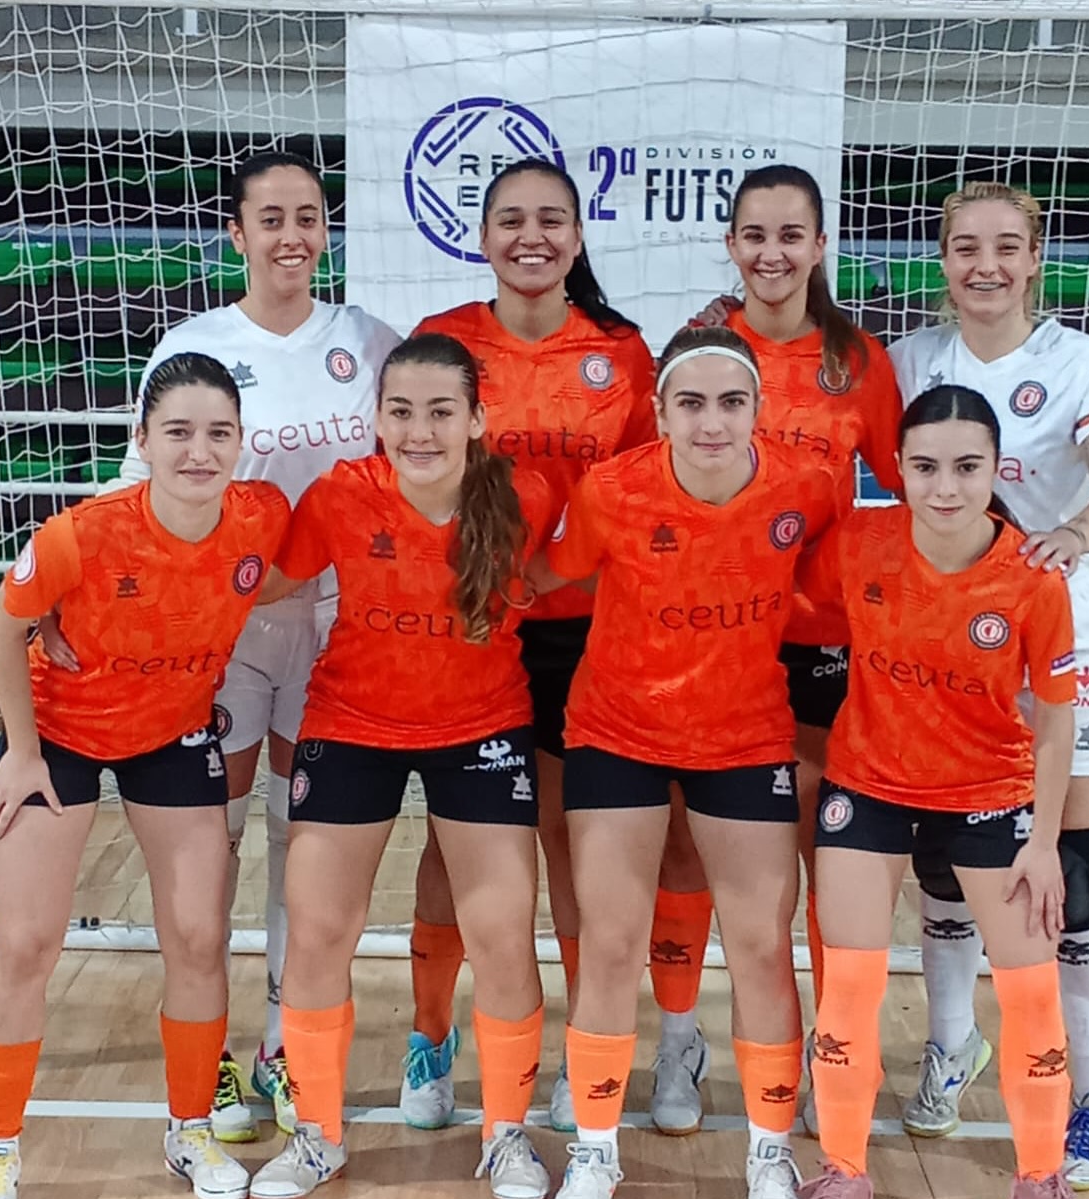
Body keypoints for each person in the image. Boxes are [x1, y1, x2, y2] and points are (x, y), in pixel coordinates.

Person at [44, 150, 400, 1140]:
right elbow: (135, 493)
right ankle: (214, 1056)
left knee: (304, 835)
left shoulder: (369, 342)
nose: (293, 234)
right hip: (223, 633)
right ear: (236, 233)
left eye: (309, 216)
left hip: (335, 626)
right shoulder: (195, 344)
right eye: (271, 217)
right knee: (218, 838)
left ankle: (282, 1046)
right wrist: (64, 591)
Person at [0, 353, 290, 1199]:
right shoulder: (82, 534)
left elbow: (279, 577)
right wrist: (23, 751)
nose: (198, 450)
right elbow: (3, 627)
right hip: (59, 735)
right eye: (177, 431)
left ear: (240, 441)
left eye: (218, 432)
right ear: (141, 439)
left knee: (198, 935)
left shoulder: (262, 516)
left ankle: (189, 1131)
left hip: (172, 734)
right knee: (25, 943)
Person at [247, 333, 555, 1199]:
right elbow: (263, 582)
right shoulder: (342, 493)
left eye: (441, 411)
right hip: (353, 722)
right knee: (318, 929)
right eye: (402, 411)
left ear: (477, 419)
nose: (420, 431)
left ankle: (505, 1134)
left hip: (482, 726)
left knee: (502, 934)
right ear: (376, 419)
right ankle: (317, 1135)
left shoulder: (525, 496)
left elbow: (577, 575)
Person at [536, 325, 838, 1199]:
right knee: (611, 941)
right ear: (660, 412)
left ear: (759, 410)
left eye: (731, 402)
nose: (712, 422)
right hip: (616, 731)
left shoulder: (807, 487)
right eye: (692, 403)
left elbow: (838, 580)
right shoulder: (612, 489)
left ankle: (768, 1151)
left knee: (761, 945)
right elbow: (558, 575)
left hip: (744, 737)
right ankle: (595, 1149)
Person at [889, 181, 1089, 1189]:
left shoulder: (1079, 361)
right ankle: (951, 1044)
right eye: (965, 246)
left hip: (1061, 625)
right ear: (943, 258)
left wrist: (1074, 532)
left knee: (1068, 863)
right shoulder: (911, 360)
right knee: (942, 854)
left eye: (1005, 246)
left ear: (1036, 258)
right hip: (945, 635)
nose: (984, 264)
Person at [403, 158, 657, 1134]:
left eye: (552, 219)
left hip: (587, 632)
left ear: (578, 237)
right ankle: (430, 1037)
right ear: (483, 237)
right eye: (511, 219)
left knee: (570, 838)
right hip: (472, 626)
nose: (531, 236)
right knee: (454, 842)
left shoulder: (621, 354)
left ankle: (581, 1051)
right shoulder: (444, 341)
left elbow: (644, 496)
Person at [663, 165, 904, 1133]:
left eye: (790, 234)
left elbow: (914, 486)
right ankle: (678, 1040)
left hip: (824, 644)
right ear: (730, 243)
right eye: (754, 234)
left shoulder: (859, 361)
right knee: (688, 846)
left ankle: (824, 1052)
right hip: (712, 642)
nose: (771, 253)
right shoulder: (697, 350)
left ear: (820, 245)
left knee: (821, 855)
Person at [796, 384, 1077, 1199]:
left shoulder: (1032, 577)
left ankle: (1040, 1175)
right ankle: (844, 1169)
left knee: (1030, 990)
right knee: (850, 983)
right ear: (898, 469)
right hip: (868, 783)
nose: (945, 487)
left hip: (992, 791)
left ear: (997, 468)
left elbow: (1056, 721)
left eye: (965, 467)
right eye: (924, 467)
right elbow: (789, 603)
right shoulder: (860, 541)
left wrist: (1044, 842)